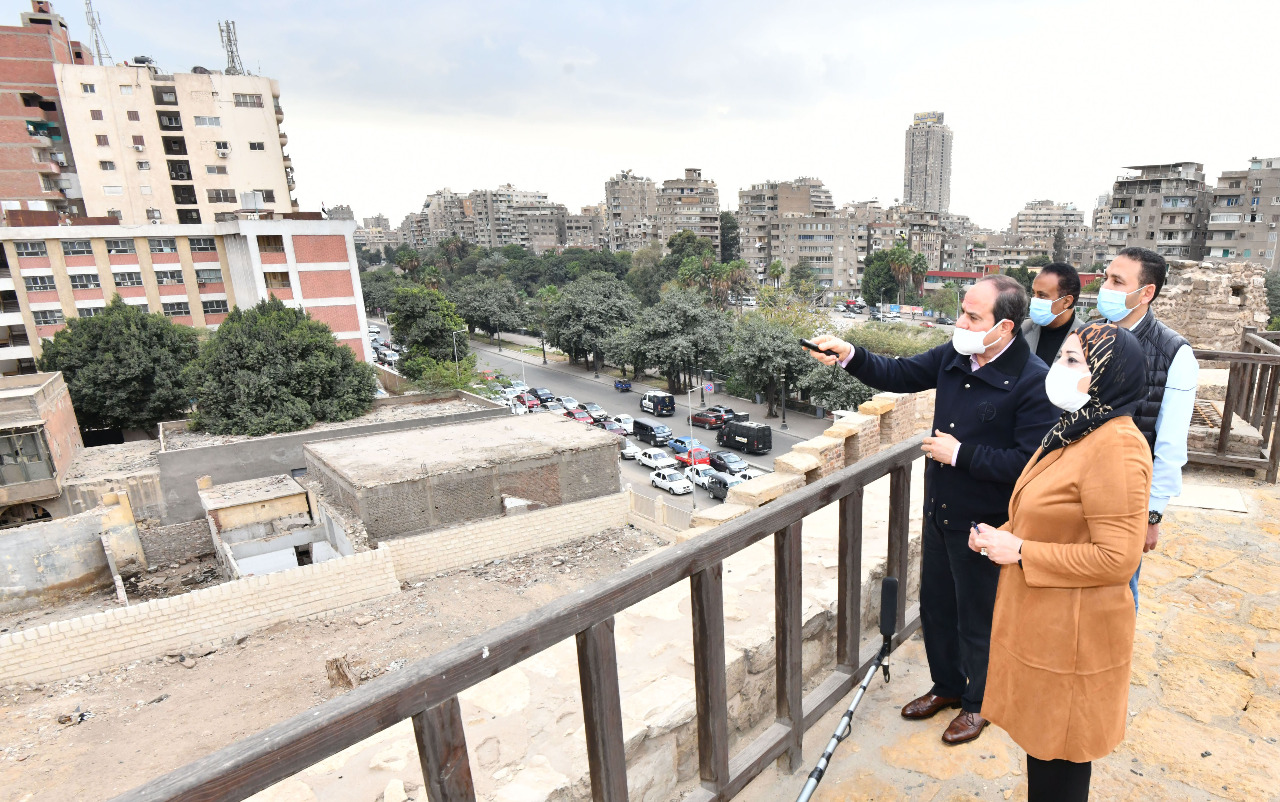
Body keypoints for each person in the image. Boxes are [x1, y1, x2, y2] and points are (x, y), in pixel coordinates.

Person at [809, 275, 1059, 745]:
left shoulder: (1033, 380)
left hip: (985, 524)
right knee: (936, 608)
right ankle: (946, 686)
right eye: (963, 311)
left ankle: (979, 703)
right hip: (941, 511)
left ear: (1004, 327)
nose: (960, 322)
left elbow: (1030, 463)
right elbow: (899, 374)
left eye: (972, 316)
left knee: (977, 619)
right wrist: (849, 354)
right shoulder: (955, 356)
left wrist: (962, 455)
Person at [970, 322, 1152, 802]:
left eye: (1074, 361)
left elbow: (1117, 558)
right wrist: (1001, 534)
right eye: (1059, 358)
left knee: (1061, 757)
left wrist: (1022, 552)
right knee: (1045, 747)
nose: (1058, 369)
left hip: (1075, 635)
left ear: (1109, 374)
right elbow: (1055, 515)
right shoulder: (1078, 428)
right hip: (1047, 623)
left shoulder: (1117, 446)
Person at [1096, 247, 1197, 610]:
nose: (1105, 288)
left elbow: (1170, 443)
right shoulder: (1091, 335)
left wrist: (1153, 515)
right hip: (1080, 482)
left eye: (1117, 281)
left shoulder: (1174, 353)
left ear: (1146, 292)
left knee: (1118, 592)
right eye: (1106, 278)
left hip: (1126, 496)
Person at [1023, 262, 1083, 365]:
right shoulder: (1023, 329)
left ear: (1066, 301)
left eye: (1042, 295)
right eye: (1033, 293)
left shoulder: (1086, 339)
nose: (1034, 300)